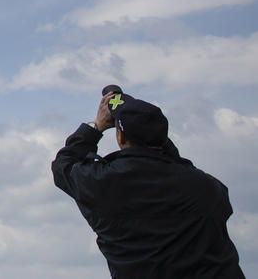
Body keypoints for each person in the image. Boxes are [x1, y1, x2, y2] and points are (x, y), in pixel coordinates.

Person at [52, 89, 245, 277]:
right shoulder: (206, 187)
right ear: (164, 137)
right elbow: (186, 172)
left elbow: (63, 165)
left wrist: (96, 127)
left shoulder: (102, 183)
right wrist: (158, 142)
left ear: (120, 137)